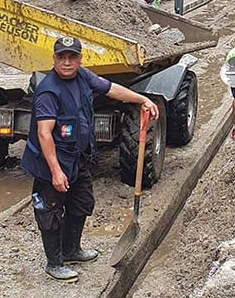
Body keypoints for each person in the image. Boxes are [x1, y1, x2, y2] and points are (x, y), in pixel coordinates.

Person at [21, 37, 159, 282]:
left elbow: (111, 89)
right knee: (50, 212)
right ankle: (54, 263)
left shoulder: (83, 76)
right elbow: (44, 133)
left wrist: (142, 99)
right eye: (61, 57)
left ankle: (71, 250)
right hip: (51, 163)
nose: (66, 62)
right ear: (53, 60)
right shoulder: (49, 91)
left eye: (72, 57)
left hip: (77, 158)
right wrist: (55, 171)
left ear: (79, 59)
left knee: (81, 203)